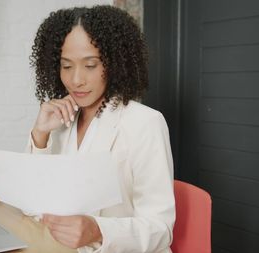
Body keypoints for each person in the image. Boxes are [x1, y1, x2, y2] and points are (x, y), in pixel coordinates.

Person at [26, 5, 175, 253]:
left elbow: (160, 229)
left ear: (115, 62)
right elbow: (32, 207)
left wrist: (98, 230)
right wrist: (40, 135)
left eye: (91, 65)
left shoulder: (145, 123)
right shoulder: (61, 121)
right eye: (66, 66)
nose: (76, 80)